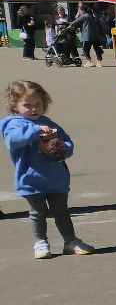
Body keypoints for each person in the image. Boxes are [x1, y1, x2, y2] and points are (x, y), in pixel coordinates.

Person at [5, 80, 93, 258]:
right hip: (30, 178)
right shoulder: (13, 123)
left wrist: (64, 147)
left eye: (38, 104)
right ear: (15, 105)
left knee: (61, 211)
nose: (34, 109)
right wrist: (35, 131)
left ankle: (70, 241)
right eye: (27, 105)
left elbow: (68, 142)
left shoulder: (48, 122)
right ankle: (40, 242)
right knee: (38, 213)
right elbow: (12, 140)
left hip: (56, 177)